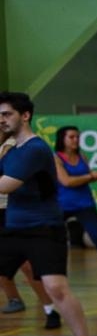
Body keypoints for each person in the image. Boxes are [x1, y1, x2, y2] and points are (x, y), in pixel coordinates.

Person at [0, 91, 97, 336]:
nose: (1, 120)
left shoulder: (35, 149)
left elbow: (5, 186)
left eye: (6, 114)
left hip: (44, 228)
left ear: (25, 115)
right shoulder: (11, 149)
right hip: (12, 227)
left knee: (56, 287)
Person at [53, 125, 97, 288]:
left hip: (85, 203)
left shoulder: (82, 156)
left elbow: (86, 177)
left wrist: (94, 176)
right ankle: (51, 275)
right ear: (62, 139)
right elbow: (67, 181)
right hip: (62, 204)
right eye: (71, 137)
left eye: (77, 137)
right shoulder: (56, 158)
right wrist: (91, 176)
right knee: (54, 240)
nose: (76, 140)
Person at [0, 131, 54, 319]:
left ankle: (49, 305)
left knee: (27, 264)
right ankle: (14, 298)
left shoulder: (21, 145)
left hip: (12, 210)